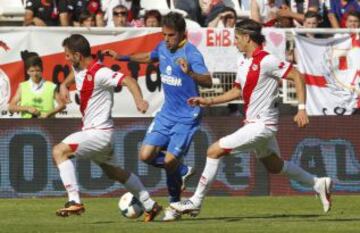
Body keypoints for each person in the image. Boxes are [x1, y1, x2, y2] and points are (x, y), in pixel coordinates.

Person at [170, 19, 332, 217]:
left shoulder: (267, 60)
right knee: (274, 165)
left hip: (262, 125)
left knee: (213, 151)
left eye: (237, 38)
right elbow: (237, 90)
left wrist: (302, 108)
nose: (234, 42)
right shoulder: (243, 61)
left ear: (247, 38)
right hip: (256, 124)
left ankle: (195, 202)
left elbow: (297, 76)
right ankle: (318, 183)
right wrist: (208, 101)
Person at [103, 12, 213, 221]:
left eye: (170, 35)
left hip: (187, 116)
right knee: (145, 155)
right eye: (163, 35)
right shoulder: (163, 47)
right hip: (167, 113)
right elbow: (148, 57)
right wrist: (122, 57)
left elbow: (208, 80)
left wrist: (191, 73)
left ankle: (174, 205)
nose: (166, 39)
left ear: (183, 34)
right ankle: (182, 170)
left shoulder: (192, 54)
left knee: (169, 160)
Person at [54, 34, 162, 222]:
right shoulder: (79, 67)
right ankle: (150, 204)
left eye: (67, 55)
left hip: (98, 133)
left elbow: (129, 80)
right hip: (101, 133)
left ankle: (74, 200)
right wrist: (64, 84)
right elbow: (74, 72)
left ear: (78, 55)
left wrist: (139, 99)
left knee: (59, 151)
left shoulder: (100, 73)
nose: (66, 59)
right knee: (115, 172)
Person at [8, 54, 65, 118]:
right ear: (27, 72)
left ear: (42, 70)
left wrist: (48, 114)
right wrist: (27, 108)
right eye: (32, 71)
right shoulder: (22, 86)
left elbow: (62, 105)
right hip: (27, 126)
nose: (35, 74)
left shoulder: (51, 86)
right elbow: (11, 107)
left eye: (37, 71)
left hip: (47, 125)